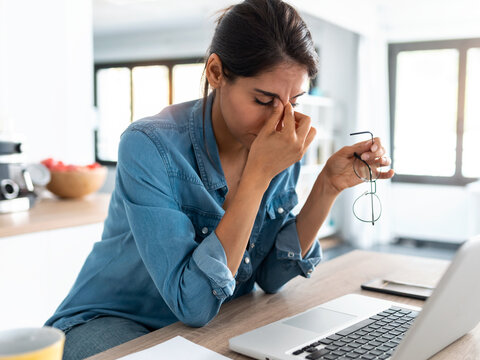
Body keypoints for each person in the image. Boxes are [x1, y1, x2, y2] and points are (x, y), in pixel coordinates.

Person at [45, 0, 393, 359]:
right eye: (263, 99)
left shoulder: (274, 143)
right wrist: (258, 176)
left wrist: (326, 187)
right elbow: (192, 303)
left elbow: (272, 276)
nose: (281, 121)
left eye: (295, 101)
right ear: (215, 71)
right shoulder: (149, 145)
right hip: (111, 321)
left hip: (205, 324)